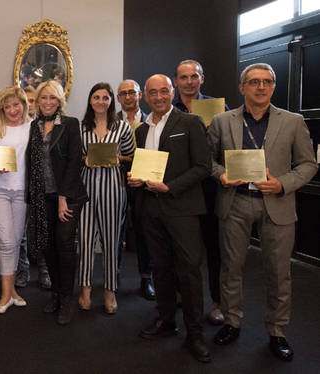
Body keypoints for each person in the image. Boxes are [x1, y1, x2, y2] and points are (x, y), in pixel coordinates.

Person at [208, 63, 317, 362]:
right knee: (231, 268)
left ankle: (277, 331)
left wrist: (282, 184)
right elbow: (208, 160)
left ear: (273, 86)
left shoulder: (293, 121)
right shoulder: (221, 121)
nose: (261, 86)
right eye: (254, 81)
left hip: (277, 204)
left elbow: (308, 165)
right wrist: (221, 176)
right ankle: (232, 322)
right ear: (242, 87)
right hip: (235, 201)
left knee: (280, 273)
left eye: (267, 81)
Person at [128, 75, 211, 363]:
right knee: (161, 268)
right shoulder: (141, 130)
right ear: (146, 96)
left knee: (188, 272)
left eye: (164, 91)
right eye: (153, 92)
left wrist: (170, 187)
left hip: (183, 208)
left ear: (172, 92)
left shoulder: (190, 123)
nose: (159, 96)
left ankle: (195, 333)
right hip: (151, 209)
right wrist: (136, 179)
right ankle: (166, 321)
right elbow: (144, 165)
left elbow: (203, 167)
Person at [26, 80, 87, 325]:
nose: (48, 102)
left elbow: (74, 162)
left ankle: (67, 299)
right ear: (38, 101)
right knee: (47, 245)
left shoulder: (71, 125)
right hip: (43, 196)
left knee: (64, 245)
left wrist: (63, 197)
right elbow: (32, 162)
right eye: (44, 98)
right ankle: (55, 294)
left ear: (60, 100)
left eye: (53, 98)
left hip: (68, 196)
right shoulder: (34, 126)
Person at [174, 59, 230, 324]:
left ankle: (218, 302)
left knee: (215, 250)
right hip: (180, 189)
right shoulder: (169, 108)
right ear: (176, 81)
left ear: (202, 79)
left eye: (193, 76)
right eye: (183, 77)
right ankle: (181, 294)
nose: (188, 81)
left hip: (211, 189)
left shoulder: (219, 110)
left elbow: (228, 147)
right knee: (182, 249)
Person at [77, 83, 135, 315]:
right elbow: (75, 156)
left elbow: (131, 156)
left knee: (111, 242)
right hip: (86, 187)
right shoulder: (80, 128)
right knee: (86, 241)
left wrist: (115, 157)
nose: (101, 101)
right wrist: (85, 159)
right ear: (90, 100)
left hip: (113, 187)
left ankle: (110, 291)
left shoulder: (122, 127)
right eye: (96, 97)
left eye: (105, 98)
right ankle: (85, 290)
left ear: (111, 101)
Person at [0, 87, 31, 313]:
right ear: (1, 108)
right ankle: (5, 294)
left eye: (16, 104)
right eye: (7, 106)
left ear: (23, 104)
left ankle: (12, 292)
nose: (12, 110)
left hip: (22, 191)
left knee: (17, 240)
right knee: (6, 241)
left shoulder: (33, 126)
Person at [116, 79, 155, 300]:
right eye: (123, 93)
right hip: (116, 182)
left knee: (143, 232)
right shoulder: (111, 122)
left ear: (140, 95)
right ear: (118, 98)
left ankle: (146, 278)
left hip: (143, 184)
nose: (128, 96)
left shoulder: (151, 121)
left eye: (132, 92)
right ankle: (116, 276)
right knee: (116, 232)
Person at [17, 85, 52, 290]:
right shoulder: (13, 125)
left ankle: (45, 271)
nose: (29, 105)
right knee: (21, 233)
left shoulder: (43, 126)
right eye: (26, 101)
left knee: (42, 231)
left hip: (40, 187)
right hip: (18, 186)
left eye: (32, 101)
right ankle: (23, 271)